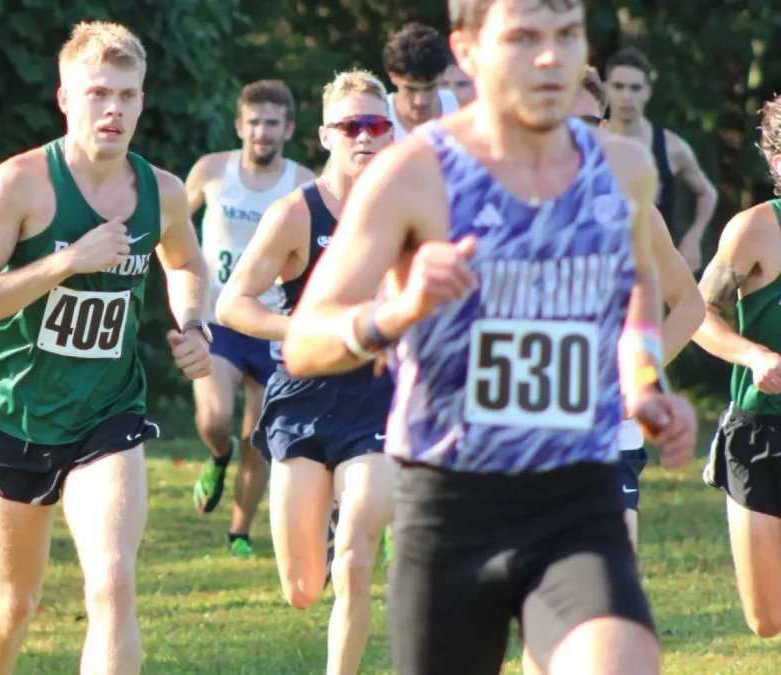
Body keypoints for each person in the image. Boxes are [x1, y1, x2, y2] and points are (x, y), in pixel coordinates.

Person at [281, 2, 698, 673]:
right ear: (467, 51)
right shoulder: (415, 172)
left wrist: (645, 383)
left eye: (566, 36)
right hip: (451, 503)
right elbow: (305, 341)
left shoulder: (623, 170)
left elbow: (643, 292)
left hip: (576, 497)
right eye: (523, 37)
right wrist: (398, 309)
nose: (549, 57)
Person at [0, 21, 214, 675]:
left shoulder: (164, 192)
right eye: (98, 93)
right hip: (17, 412)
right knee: (15, 601)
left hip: (108, 412)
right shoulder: (21, 184)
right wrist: (66, 264)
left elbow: (187, 265)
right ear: (66, 100)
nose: (113, 109)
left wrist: (194, 323)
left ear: (144, 100)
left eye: (127, 94)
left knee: (113, 581)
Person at [216, 70, 397, 675]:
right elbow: (232, 304)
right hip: (302, 399)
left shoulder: (411, 213)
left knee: (353, 560)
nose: (365, 137)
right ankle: (330, 530)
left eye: (377, 125)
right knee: (302, 587)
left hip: (380, 399)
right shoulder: (298, 213)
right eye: (352, 126)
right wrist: (304, 330)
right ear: (325, 135)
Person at [185, 80, 316, 558]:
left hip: (270, 323)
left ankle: (239, 533)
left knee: (256, 437)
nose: (263, 132)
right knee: (215, 417)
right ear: (240, 125)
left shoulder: (303, 183)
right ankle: (217, 459)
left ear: (289, 129)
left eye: (272, 124)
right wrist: (184, 294)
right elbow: (171, 228)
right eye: (255, 123)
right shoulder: (211, 171)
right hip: (219, 319)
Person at [576, 65, 704, 551]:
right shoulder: (499, 206)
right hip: (525, 438)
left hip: (611, 430)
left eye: (586, 124)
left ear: (603, 129)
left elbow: (689, 304)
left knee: (615, 579)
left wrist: (642, 380)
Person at [692, 93, 781, 639]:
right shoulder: (753, 230)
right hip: (758, 433)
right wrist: (754, 355)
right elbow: (697, 313)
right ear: (776, 161)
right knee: (766, 618)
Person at [604, 46, 719, 271]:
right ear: (606, 88)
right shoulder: (589, 144)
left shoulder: (670, 147)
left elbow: (707, 192)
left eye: (635, 88)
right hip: (602, 265)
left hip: (656, 270)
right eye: (618, 86)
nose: (626, 96)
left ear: (647, 92)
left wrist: (694, 237)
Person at [383, 22, 460, 139]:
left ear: (443, 75)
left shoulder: (458, 109)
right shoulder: (379, 116)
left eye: (429, 88)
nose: (420, 101)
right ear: (393, 77)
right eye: (410, 89)